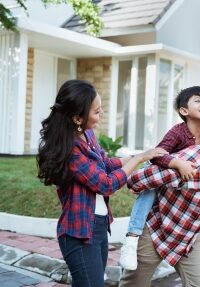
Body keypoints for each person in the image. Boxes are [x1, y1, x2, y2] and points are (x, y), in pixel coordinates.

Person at [36, 80, 167, 287]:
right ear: (78, 118)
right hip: (79, 233)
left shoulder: (87, 134)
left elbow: (106, 164)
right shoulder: (71, 149)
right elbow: (105, 184)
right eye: (97, 112)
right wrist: (137, 160)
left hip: (98, 226)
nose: (101, 114)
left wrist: (140, 155)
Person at [119, 86, 200, 281]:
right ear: (184, 111)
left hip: (189, 229)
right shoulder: (179, 135)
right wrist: (177, 164)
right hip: (159, 213)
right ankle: (132, 238)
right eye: (198, 100)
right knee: (134, 282)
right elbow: (158, 155)